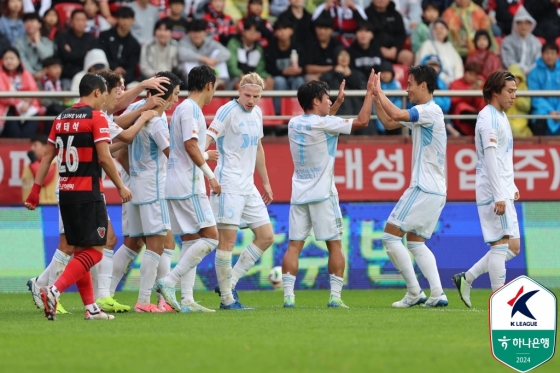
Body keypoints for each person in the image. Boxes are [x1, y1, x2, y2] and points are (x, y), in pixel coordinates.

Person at [25, 73, 133, 321]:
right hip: (88, 192)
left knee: (80, 250)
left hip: (65, 192)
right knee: (96, 250)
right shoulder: (95, 118)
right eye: (105, 94)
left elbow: (47, 156)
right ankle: (53, 289)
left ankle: (91, 307)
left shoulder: (60, 118)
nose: (105, 99)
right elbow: (105, 157)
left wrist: (35, 190)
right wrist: (120, 187)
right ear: (97, 92)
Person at [281, 72, 375, 308]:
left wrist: (337, 107)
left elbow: (321, 126)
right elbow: (362, 122)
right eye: (327, 98)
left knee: (294, 245)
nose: (330, 102)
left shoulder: (293, 123)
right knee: (334, 244)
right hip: (323, 193)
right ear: (315, 101)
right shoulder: (324, 123)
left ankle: (288, 298)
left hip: (299, 193)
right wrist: (370, 94)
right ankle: (335, 296)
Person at [372, 65, 448, 308]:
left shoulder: (429, 111)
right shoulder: (424, 114)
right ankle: (437, 293)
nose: (407, 88)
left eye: (410, 83)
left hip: (423, 186)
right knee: (416, 242)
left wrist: (379, 90)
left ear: (423, 86)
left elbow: (395, 115)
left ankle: (414, 291)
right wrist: (376, 98)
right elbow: (388, 122)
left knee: (390, 237)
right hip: (437, 189)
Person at [154, 65, 221, 313]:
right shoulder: (192, 110)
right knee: (211, 237)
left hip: (175, 182)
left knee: (191, 239)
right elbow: (191, 146)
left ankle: (187, 299)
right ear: (208, 86)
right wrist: (211, 176)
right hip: (188, 185)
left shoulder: (183, 108)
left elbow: (185, 149)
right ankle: (169, 282)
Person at [206, 73, 274, 310]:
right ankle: (227, 299)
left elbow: (258, 147)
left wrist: (265, 181)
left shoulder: (257, 113)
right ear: (239, 91)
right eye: (248, 95)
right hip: (229, 184)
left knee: (266, 236)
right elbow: (206, 141)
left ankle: (229, 281)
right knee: (227, 243)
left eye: (256, 96)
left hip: (249, 185)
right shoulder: (226, 111)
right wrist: (208, 172)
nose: (252, 100)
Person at [452, 70, 520, 308]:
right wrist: (500, 194)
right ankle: (500, 303)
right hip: (493, 189)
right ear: (495, 92)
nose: (514, 96)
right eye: (510, 91)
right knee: (500, 244)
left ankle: (466, 278)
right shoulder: (487, 117)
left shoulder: (500, 116)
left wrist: (511, 186)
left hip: (502, 187)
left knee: (513, 246)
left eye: (515, 92)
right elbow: (490, 157)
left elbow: (502, 157)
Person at [127, 71, 182, 312]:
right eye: (175, 95)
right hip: (155, 186)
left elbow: (119, 144)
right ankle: (143, 301)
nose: (177, 101)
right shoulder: (157, 121)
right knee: (156, 245)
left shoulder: (138, 108)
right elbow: (173, 156)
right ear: (163, 97)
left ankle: (162, 299)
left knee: (163, 242)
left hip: (137, 183)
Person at [264, 17, 306, 114]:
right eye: (279, 29)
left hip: (295, 77)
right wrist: (283, 72)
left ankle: (298, 112)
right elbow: (269, 68)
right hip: (278, 78)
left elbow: (304, 65)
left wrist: (300, 70)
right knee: (280, 81)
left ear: (291, 31)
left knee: (299, 80)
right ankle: (279, 115)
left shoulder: (298, 47)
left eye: (285, 28)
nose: (282, 32)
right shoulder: (270, 49)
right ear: (275, 32)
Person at [0, 47, 42, 139]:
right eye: (6, 59)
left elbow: (34, 90)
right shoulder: (0, 74)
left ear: (19, 60)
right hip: (8, 109)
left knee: (28, 135)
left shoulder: (25, 73)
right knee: (15, 135)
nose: (9, 61)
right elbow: (4, 95)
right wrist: (20, 100)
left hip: (28, 107)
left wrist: (27, 102)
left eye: (12, 58)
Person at [178, 19, 231, 87]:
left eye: (199, 31)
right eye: (194, 31)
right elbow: (181, 54)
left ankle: (219, 82)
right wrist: (204, 59)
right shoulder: (184, 42)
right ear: (189, 32)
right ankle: (196, 83)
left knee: (218, 53)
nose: (197, 34)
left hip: (209, 70)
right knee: (187, 60)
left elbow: (227, 53)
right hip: (193, 76)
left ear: (205, 32)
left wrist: (215, 60)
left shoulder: (210, 42)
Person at [226, 17, 273, 90]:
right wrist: (242, 76)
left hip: (252, 79)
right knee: (239, 85)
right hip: (235, 78)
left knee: (269, 83)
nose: (252, 33)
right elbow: (232, 67)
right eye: (249, 30)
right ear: (243, 31)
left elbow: (260, 69)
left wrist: (267, 76)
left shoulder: (258, 49)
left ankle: (260, 102)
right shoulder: (233, 43)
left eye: (255, 31)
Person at [98, 7, 141, 85]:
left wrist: (121, 74)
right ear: (117, 19)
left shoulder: (135, 44)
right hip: (104, 73)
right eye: (122, 18)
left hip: (125, 79)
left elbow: (132, 66)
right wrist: (114, 68)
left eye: (128, 18)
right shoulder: (105, 36)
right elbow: (102, 55)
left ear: (133, 20)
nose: (125, 21)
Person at [365, 0, 414, 66]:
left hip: (394, 50)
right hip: (372, 50)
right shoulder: (366, 14)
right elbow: (364, 34)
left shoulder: (396, 15)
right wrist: (379, 49)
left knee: (408, 57)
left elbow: (401, 35)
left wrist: (395, 48)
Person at [415, 18, 463, 86]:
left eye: (442, 28)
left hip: (453, 84)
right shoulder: (427, 45)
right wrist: (445, 80)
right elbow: (424, 65)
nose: (439, 30)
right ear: (431, 31)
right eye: (436, 28)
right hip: (435, 83)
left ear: (447, 31)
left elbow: (458, 67)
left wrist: (456, 83)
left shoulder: (450, 46)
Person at [55, 9, 96, 89]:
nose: (80, 23)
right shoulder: (63, 37)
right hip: (68, 76)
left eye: (83, 20)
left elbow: (91, 58)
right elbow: (66, 56)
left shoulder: (91, 38)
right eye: (77, 20)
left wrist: (73, 53)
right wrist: (85, 53)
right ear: (71, 22)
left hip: (86, 76)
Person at [320, 47, 365, 116]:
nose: (344, 58)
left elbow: (363, 90)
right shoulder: (328, 75)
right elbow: (326, 93)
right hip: (338, 114)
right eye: (341, 55)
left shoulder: (358, 74)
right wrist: (339, 74)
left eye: (346, 55)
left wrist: (349, 76)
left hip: (358, 112)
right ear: (336, 57)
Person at [527, 42, 560, 136]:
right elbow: (535, 97)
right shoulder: (534, 73)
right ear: (542, 55)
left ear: (557, 55)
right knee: (539, 120)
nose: (549, 56)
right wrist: (550, 111)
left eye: (552, 53)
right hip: (542, 111)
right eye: (546, 53)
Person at [13, 12, 55, 81]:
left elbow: (48, 58)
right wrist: (33, 73)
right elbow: (22, 61)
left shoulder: (47, 41)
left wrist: (38, 42)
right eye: (26, 21)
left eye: (32, 21)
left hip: (46, 75)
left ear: (39, 25)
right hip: (26, 76)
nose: (29, 23)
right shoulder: (19, 43)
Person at [501, 6, 542, 76]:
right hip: (514, 75)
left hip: (532, 74)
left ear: (530, 25)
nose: (523, 26)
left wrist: (529, 70)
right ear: (515, 24)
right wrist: (521, 69)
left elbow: (538, 60)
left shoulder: (536, 42)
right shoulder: (507, 41)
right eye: (520, 23)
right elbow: (508, 61)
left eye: (526, 23)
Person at [449, 62, 485, 135]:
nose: (472, 78)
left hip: (475, 116)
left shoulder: (478, 86)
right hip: (459, 117)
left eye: (475, 75)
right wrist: (467, 92)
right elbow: (452, 101)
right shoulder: (456, 83)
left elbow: (480, 106)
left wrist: (477, 94)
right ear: (464, 72)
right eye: (470, 74)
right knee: (461, 107)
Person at [21, 134, 58, 204]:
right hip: (29, 209)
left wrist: (34, 162)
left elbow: (44, 179)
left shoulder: (53, 164)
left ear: (45, 147)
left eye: (35, 145)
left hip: (48, 209)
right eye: (31, 145)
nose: (32, 148)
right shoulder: (27, 167)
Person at [303, 15, 341, 81]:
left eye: (326, 28)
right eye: (320, 28)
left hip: (333, 76)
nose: (322, 31)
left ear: (332, 30)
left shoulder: (337, 45)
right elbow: (308, 68)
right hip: (314, 77)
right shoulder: (310, 44)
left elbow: (340, 67)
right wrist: (332, 68)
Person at [39, 57, 67, 135]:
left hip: (58, 110)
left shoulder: (60, 83)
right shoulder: (40, 82)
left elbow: (64, 98)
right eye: (55, 67)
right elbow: (42, 100)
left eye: (59, 67)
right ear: (46, 69)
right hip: (46, 110)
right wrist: (56, 103)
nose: (58, 70)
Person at [506, 64, 532, 137]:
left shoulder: (524, 89)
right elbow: (502, 106)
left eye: (516, 78)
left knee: (515, 129)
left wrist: (518, 99)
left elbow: (527, 106)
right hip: (506, 117)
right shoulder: (504, 90)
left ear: (521, 78)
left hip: (520, 118)